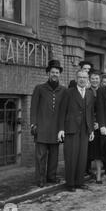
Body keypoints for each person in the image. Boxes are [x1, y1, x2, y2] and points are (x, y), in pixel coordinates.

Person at [30, 60, 66, 188]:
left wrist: (62, 128)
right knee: (40, 156)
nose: (55, 74)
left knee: (54, 156)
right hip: (42, 128)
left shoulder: (63, 90)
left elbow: (64, 111)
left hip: (56, 129)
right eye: (52, 72)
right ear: (48, 73)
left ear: (59, 74)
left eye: (57, 72)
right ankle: (40, 179)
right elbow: (33, 107)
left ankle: (51, 177)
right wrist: (33, 124)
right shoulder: (39, 88)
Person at [58, 70, 95, 192]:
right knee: (71, 156)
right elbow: (62, 111)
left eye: (85, 77)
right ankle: (70, 183)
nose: (82, 79)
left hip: (85, 129)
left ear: (87, 79)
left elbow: (90, 113)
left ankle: (80, 181)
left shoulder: (90, 93)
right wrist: (61, 129)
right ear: (76, 78)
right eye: (80, 77)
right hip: (71, 128)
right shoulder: (68, 92)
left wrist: (91, 130)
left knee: (82, 157)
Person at [87, 71, 105, 184]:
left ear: (100, 80)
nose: (94, 80)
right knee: (86, 151)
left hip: (99, 126)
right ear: (90, 79)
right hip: (87, 125)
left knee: (98, 152)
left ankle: (98, 174)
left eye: (97, 78)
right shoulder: (86, 91)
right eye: (92, 78)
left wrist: (99, 123)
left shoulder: (103, 92)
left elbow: (105, 110)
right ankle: (85, 172)